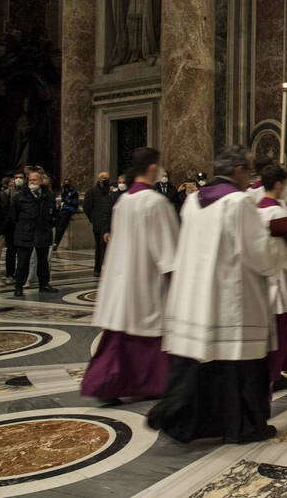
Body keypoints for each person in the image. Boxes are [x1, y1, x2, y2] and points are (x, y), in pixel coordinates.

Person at [148, 146, 287, 444]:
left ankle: (193, 423)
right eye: (247, 169)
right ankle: (244, 426)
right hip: (233, 299)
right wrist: (283, 241)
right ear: (237, 169)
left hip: (197, 296)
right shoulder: (239, 202)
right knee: (238, 365)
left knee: (209, 366)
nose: (249, 175)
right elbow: (259, 256)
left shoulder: (191, 201)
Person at [81, 148, 179, 405]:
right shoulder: (155, 202)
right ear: (151, 168)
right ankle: (147, 383)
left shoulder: (123, 200)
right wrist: (176, 276)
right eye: (159, 166)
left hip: (122, 275)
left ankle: (111, 384)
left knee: (122, 335)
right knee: (145, 333)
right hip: (144, 277)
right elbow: (167, 249)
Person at [256, 164, 287, 390]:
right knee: (282, 334)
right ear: (278, 184)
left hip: (260, 284)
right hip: (280, 283)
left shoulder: (253, 211)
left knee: (267, 334)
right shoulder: (281, 214)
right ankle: (275, 375)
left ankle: (268, 372)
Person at [7, 170, 58, 296]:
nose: (32, 182)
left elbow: (54, 214)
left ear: (40, 181)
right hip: (25, 233)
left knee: (43, 261)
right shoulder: (20, 197)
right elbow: (13, 217)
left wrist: (48, 224)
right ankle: (18, 287)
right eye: (30, 180)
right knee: (23, 262)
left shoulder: (48, 196)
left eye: (35, 180)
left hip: (42, 232)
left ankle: (44, 284)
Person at [84, 172, 113, 277]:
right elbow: (87, 207)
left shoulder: (110, 191)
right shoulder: (92, 192)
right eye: (104, 178)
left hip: (108, 223)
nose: (106, 180)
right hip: (98, 223)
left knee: (108, 247)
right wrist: (93, 219)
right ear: (99, 179)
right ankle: (98, 269)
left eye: (107, 178)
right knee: (100, 247)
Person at [1, 172, 24, 283]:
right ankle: (10, 274)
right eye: (17, 178)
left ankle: (21, 274)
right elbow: (5, 211)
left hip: (23, 226)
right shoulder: (7, 193)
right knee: (11, 251)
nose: (19, 179)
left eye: (21, 178)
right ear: (13, 180)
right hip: (11, 227)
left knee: (22, 252)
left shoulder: (26, 192)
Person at [54, 178, 80, 251]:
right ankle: (54, 241)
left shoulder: (74, 192)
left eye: (67, 183)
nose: (66, 185)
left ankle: (56, 242)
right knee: (57, 224)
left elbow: (74, 203)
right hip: (63, 210)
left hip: (69, 210)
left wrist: (66, 204)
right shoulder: (64, 192)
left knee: (61, 226)